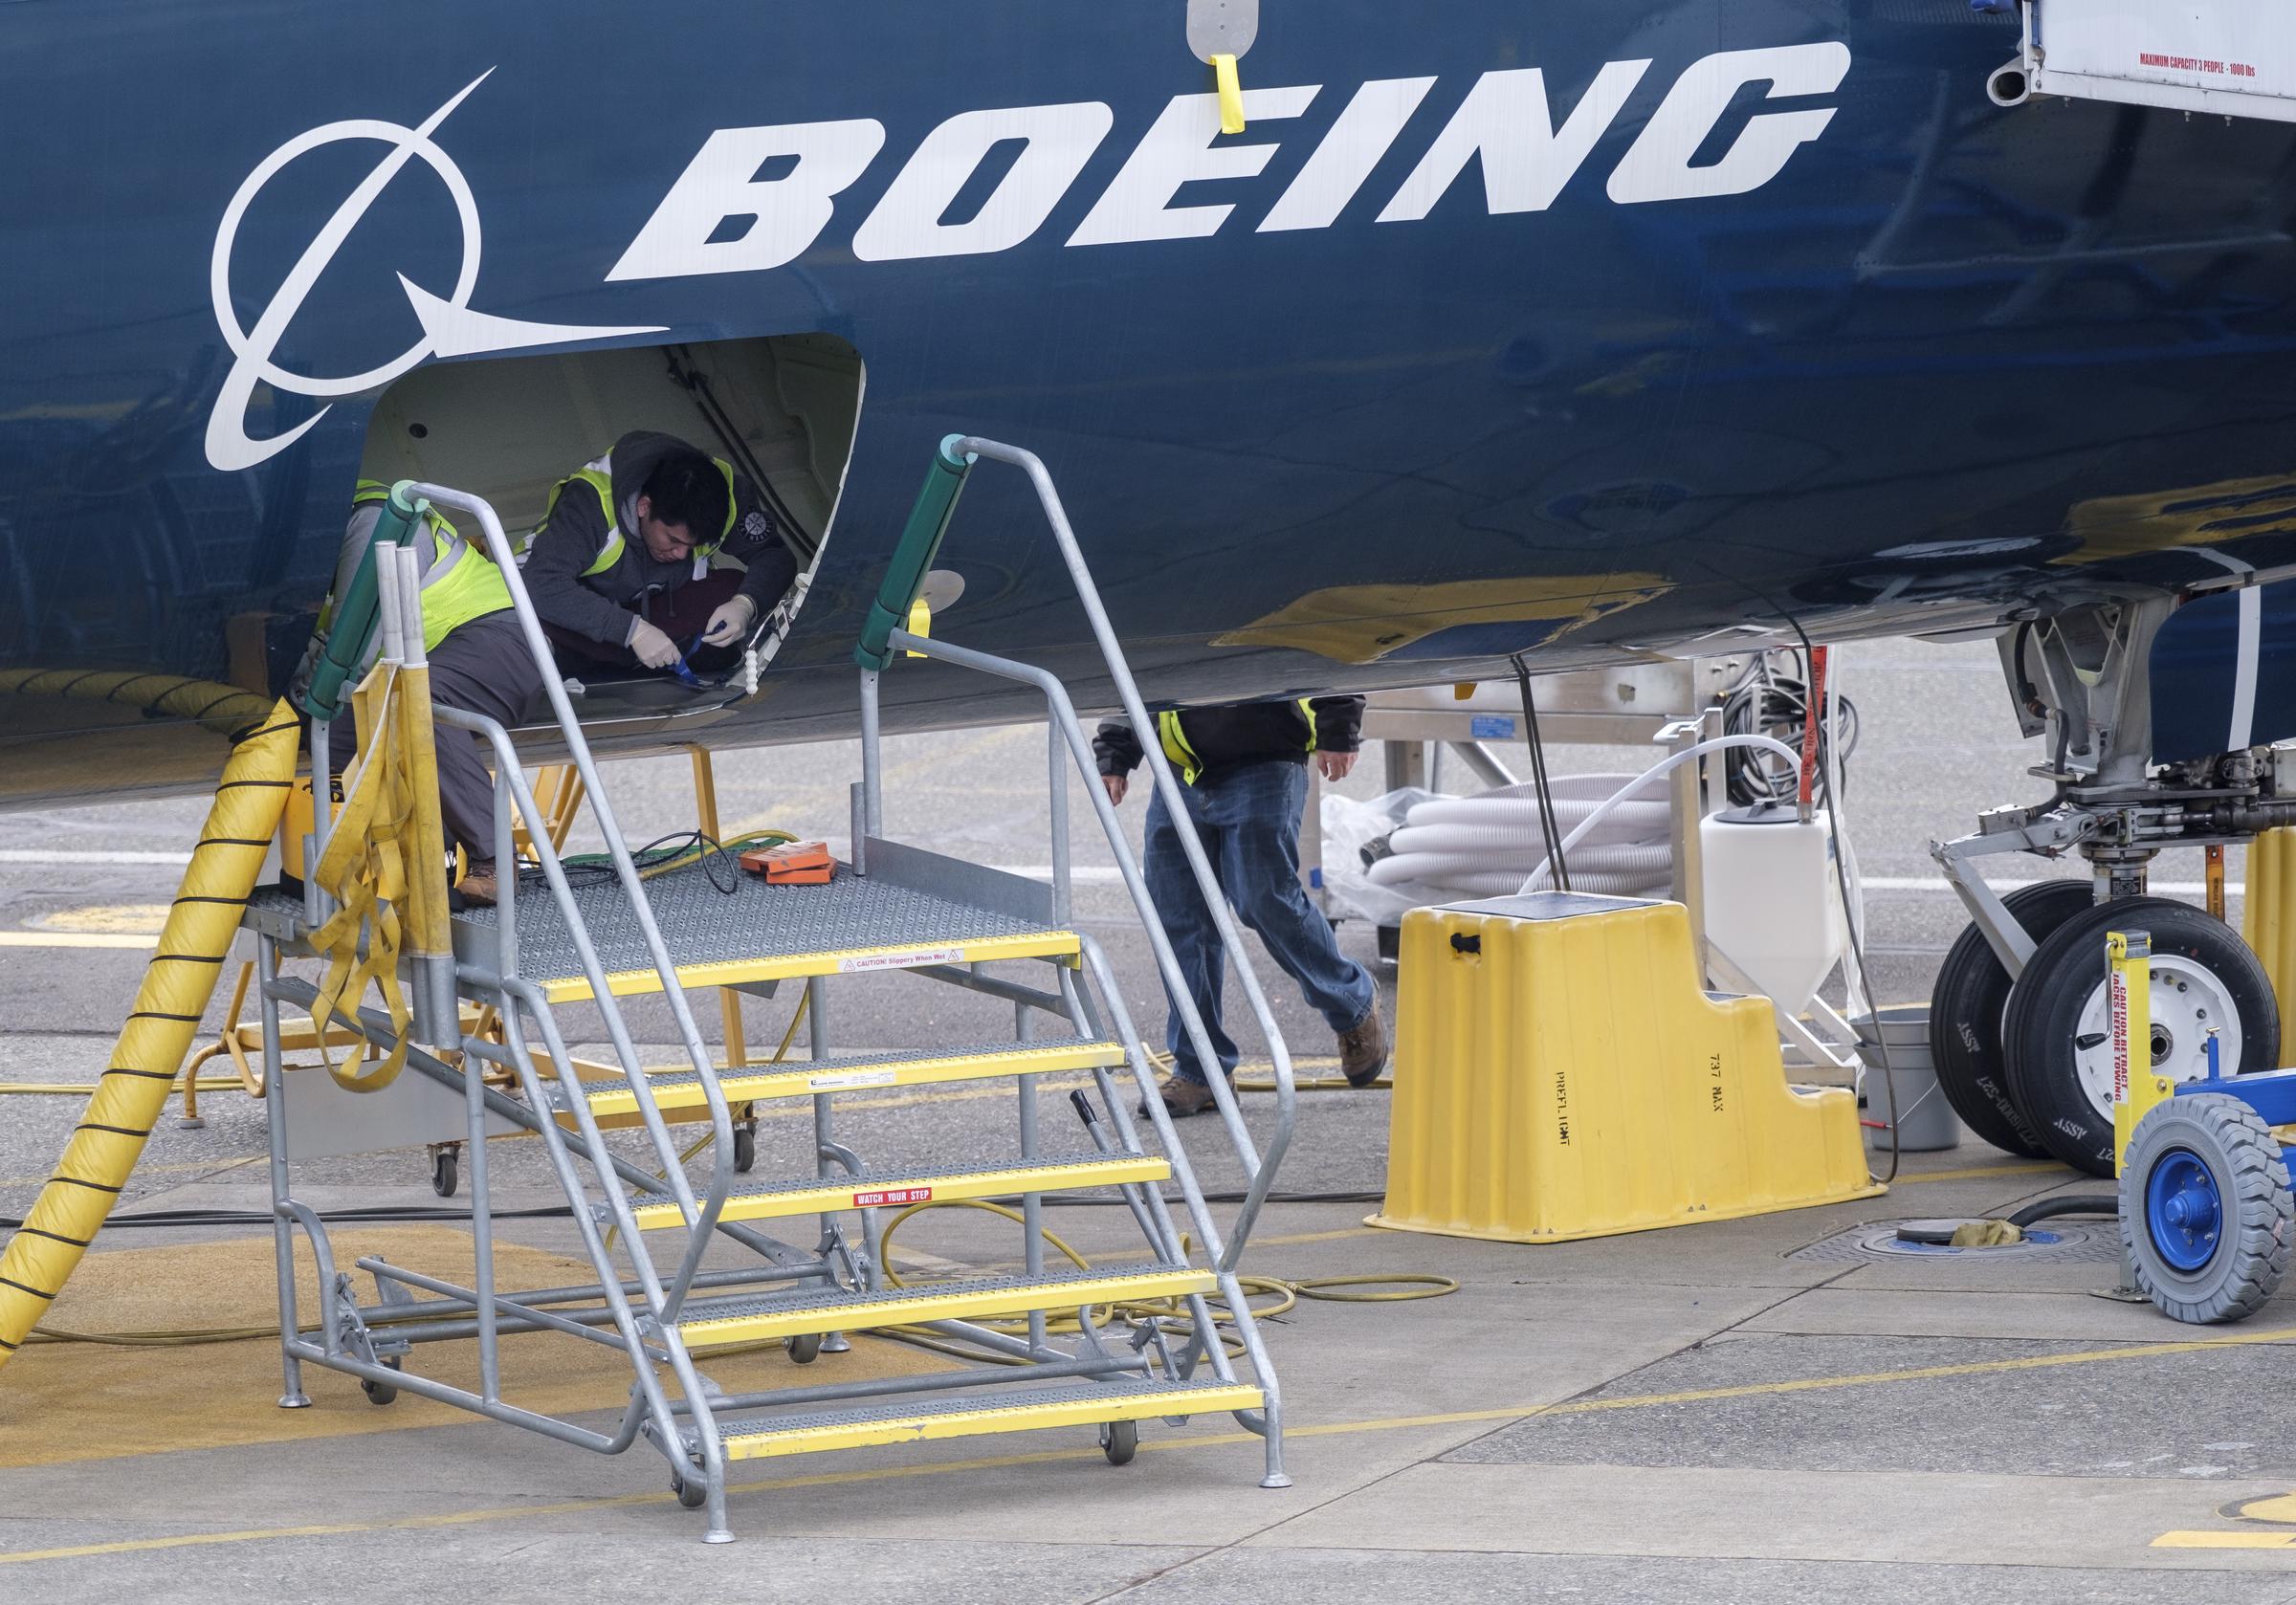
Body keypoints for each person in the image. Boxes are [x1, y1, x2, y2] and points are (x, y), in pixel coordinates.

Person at [1095, 696, 1388, 1116]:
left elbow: (1314, 638)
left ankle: (1350, 999)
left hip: (1264, 757)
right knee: (1179, 919)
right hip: (1180, 771)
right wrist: (1116, 750)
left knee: (1262, 898)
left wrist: (1338, 725)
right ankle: (1202, 1070)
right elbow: (1133, 662)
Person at [297, 480, 540, 906]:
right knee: (330, 742)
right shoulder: (336, 534)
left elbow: (354, 649)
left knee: (420, 700)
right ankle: (422, 857)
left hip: (505, 637)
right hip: (450, 651)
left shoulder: (372, 523)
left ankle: (495, 859)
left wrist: (297, 701)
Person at [523, 430, 798, 676]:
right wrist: (633, 631)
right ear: (644, 506)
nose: (681, 555)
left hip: (651, 605)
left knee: (731, 587)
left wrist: (745, 605)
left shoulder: (726, 496)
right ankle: (609, 660)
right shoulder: (592, 499)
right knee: (530, 630)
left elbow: (776, 556)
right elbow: (542, 582)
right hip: (574, 608)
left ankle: (635, 658)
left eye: (692, 546)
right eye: (673, 540)